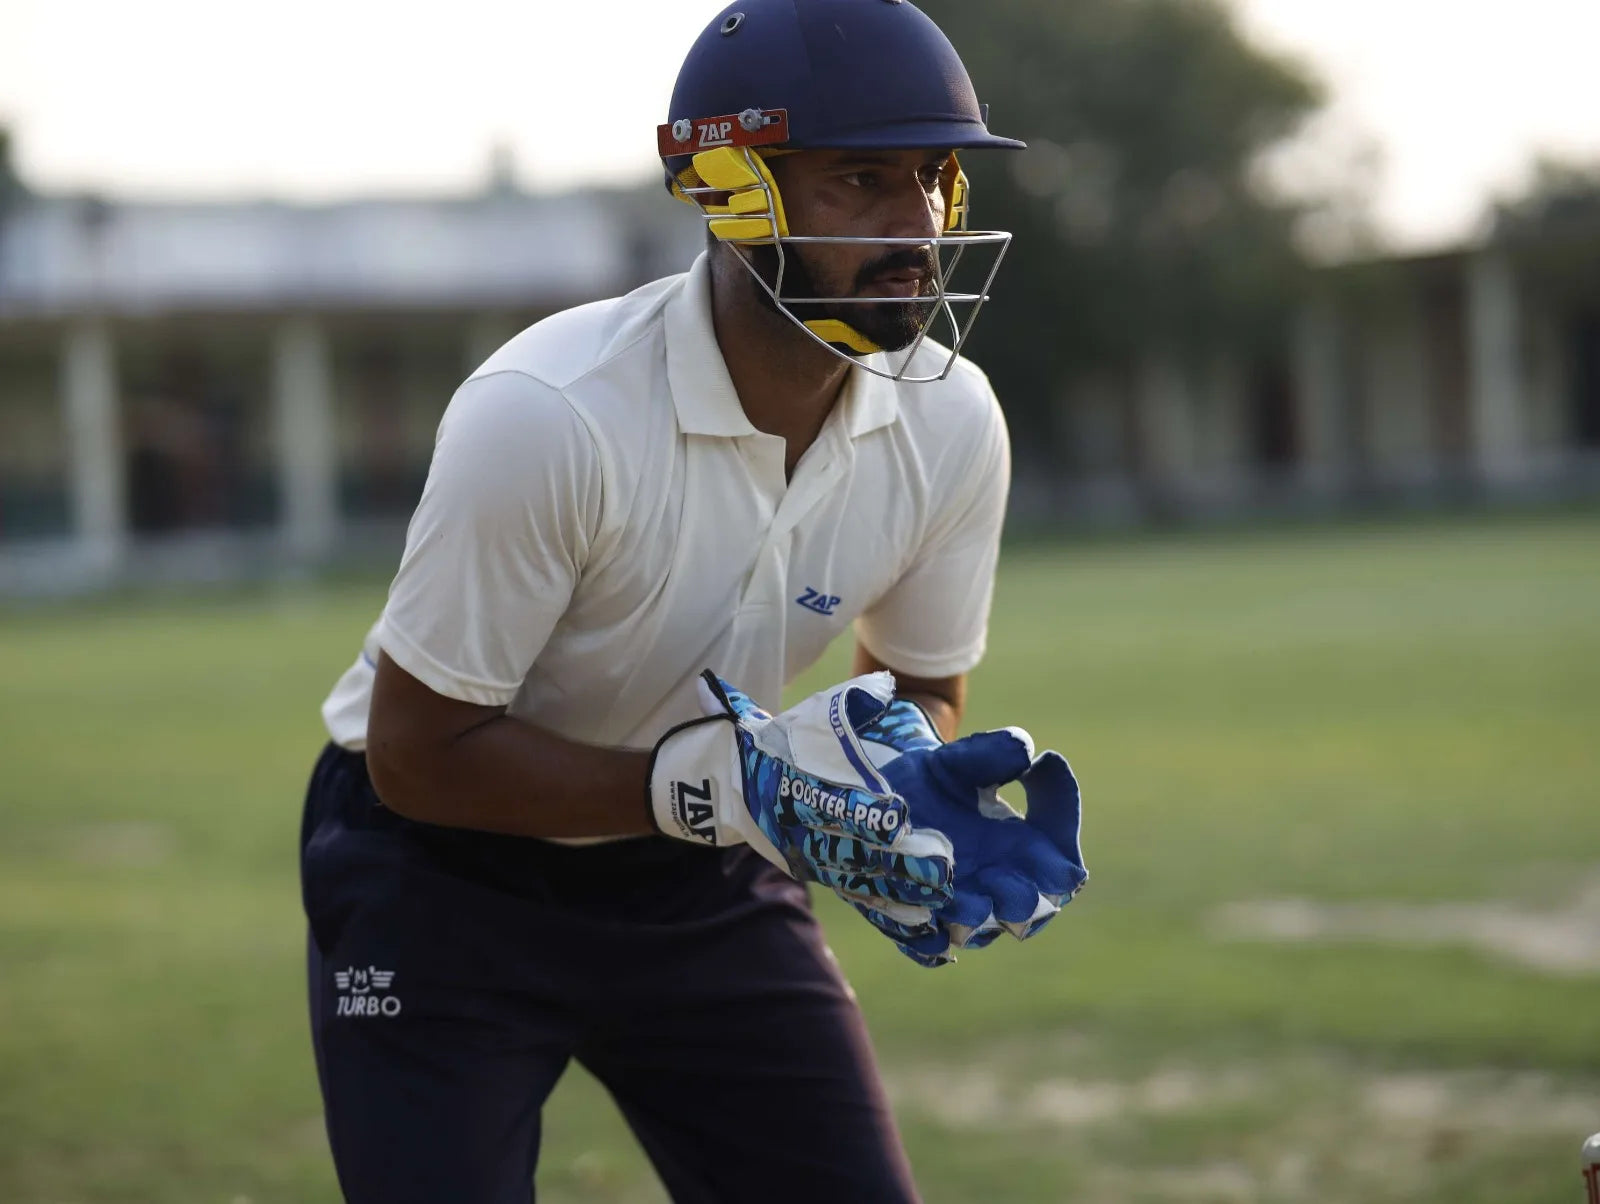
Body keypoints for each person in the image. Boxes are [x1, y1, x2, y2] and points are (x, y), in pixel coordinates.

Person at [299, 2, 1086, 1202]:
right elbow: (417, 753)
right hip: (436, 876)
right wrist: (738, 783)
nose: (916, 224)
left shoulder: (951, 416)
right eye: (861, 179)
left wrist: (890, 790)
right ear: (728, 189)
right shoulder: (549, 414)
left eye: (933, 178)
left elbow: (919, 685)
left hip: (704, 873)